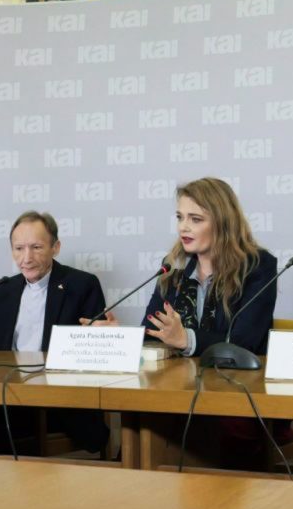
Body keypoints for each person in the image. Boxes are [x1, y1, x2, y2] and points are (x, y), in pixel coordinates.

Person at [92, 177, 278, 469]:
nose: (183, 227)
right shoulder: (173, 269)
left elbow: (245, 342)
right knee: (140, 421)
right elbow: (154, 334)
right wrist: (121, 337)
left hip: (236, 397)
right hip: (175, 394)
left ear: (223, 222)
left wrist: (186, 339)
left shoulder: (257, 267)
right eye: (180, 217)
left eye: (195, 219)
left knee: (184, 426)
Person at [0, 211, 109, 455]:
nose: (27, 258)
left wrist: (104, 336)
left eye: (36, 247)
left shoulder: (82, 285)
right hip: (10, 391)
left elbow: (97, 350)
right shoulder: (5, 289)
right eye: (19, 248)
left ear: (55, 247)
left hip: (58, 397)